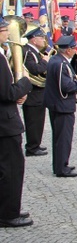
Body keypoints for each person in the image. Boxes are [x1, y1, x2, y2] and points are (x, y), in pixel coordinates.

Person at [0, 18, 33, 227]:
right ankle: (8, 213)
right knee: (11, 170)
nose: (6, 34)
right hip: (5, 123)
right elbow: (6, 93)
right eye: (4, 30)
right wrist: (24, 84)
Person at [43, 35, 77, 177]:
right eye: (73, 48)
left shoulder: (55, 60)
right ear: (67, 50)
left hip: (56, 105)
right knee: (63, 139)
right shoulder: (61, 64)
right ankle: (62, 167)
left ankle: (59, 165)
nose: (75, 51)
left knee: (59, 138)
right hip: (63, 105)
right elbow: (66, 86)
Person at [21, 26, 49, 157]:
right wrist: (45, 62)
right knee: (33, 121)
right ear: (33, 40)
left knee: (38, 121)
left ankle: (35, 144)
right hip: (33, 93)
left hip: (39, 92)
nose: (44, 40)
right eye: (41, 37)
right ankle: (32, 147)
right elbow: (34, 69)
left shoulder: (34, 52)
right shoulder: (28, 52)